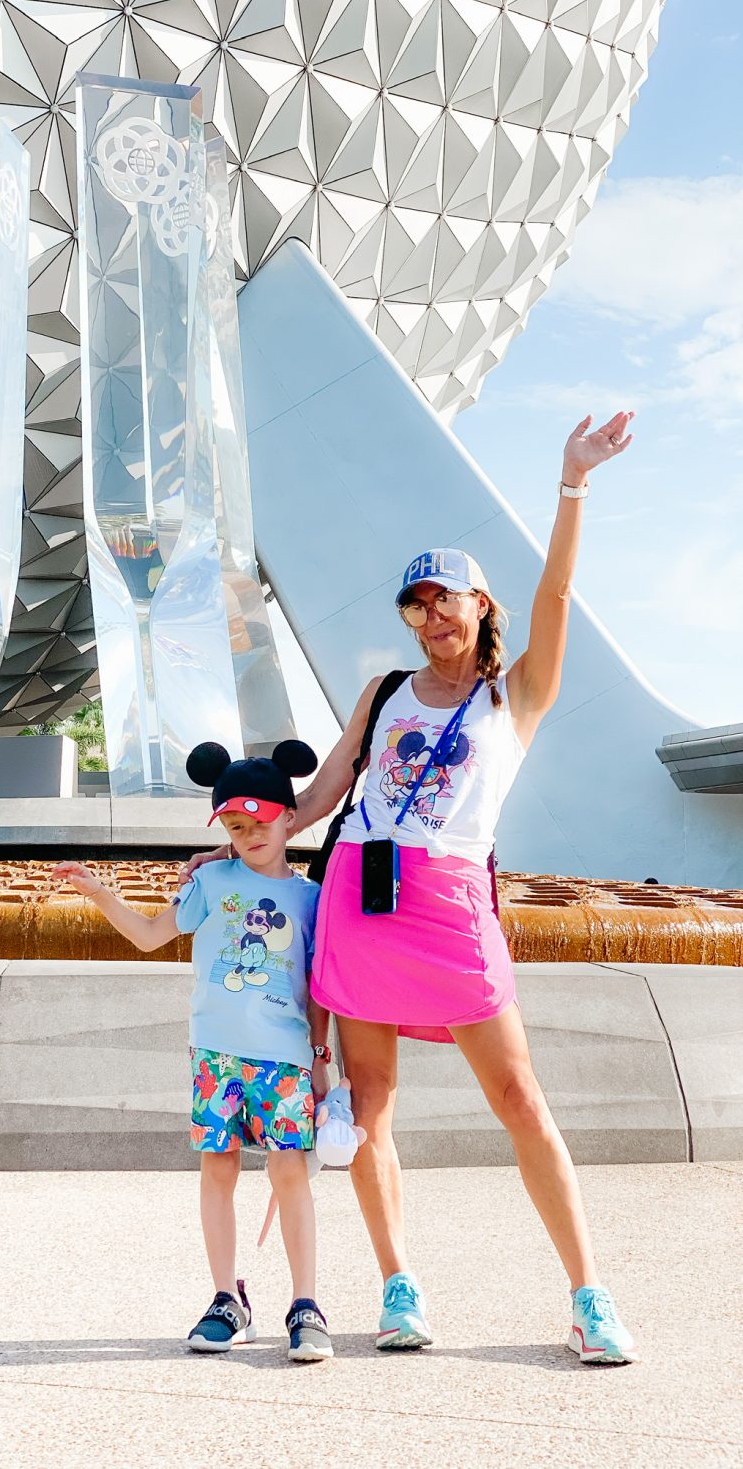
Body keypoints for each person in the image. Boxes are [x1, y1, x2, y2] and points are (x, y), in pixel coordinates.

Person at [181, 412, 640, 1365]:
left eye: (447, 600)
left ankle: (587, 1296)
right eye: (416, 603)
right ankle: (398, 1287)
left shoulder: (513, 696)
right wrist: (240, 842)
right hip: (359, 900)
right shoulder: (386, 692)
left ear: (479, 607)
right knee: (371, 1099)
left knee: (517, 1094)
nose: (432, 616)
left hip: (450, 904)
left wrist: (572, 484)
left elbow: (556, 592)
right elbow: (319, 797)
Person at [53, 740, 336, 1363]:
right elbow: (154, 935)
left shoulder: (313, 897)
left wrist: (321, 1059)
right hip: (215, 1056)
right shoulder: (210, 880)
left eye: (259, 822)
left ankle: (306, 1304)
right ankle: (225, 1299)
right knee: (219, 1170)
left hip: (284, 1058)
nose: (248, 834)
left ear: (289, 816)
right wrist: (102, 893)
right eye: (235, 826)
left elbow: (319, 987)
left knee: (291, 1172)